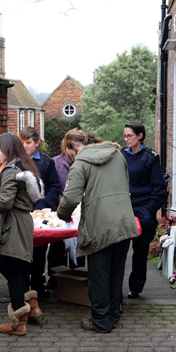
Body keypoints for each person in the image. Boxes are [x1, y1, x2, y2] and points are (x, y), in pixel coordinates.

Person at [57, 139, 139, 333]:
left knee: (99, 276)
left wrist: (62, 215)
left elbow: (70, 197)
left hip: (100, 225)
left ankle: (101, 320)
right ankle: (113, 314)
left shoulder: (80, 163)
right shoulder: (118, 155)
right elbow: (125, 184)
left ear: (75, 149)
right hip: (124, 221)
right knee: (116, 272)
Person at [0, 133, 45, 336]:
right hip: (22, 221)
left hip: (13, 223)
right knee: (19, 268)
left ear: (8, 150)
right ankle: (32, 307)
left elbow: (4, 202)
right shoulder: (23, 166)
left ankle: (19, 323)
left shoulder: (11, 170)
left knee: (9, 267)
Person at [121, 121, 167, 299]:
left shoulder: (150, 157)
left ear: (140, 136)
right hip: (124, 210)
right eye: (124, 136)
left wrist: (149, 211)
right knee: (119, 251)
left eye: (130, 136)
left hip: (143, 211)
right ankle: (115, 288)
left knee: (140, 253)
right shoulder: (120, 156)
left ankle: (136, 288)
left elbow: (159, 188)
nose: (126, 139)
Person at [19, 127, 61, 297]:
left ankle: (37, 282)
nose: (24, 146)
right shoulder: (15, 161)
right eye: (21, 142)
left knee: (39, 249)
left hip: (39, 213)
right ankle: (21, 285)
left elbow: (55, 186)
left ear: (36, 143)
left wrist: (43, 204)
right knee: (22, 249)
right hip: (19, 212)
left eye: (28, 142)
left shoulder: (46, 162)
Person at [47, 129, 88, 272]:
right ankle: (55, 279)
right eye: (75, 152)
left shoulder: (85, 163)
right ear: (68, 146)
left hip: (79, 212)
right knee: (57, 248)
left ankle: (78, 278)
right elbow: (51, 187)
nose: (76, 155)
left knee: (78, 247)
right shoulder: (55, 163)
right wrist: (61, 200)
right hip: (59, 212)